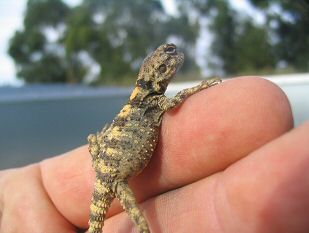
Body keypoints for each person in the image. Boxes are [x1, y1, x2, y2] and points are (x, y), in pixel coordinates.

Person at [0, 77, 308, 233]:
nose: (172, 65)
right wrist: (198, 88)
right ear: (157, 75)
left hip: (108, 164)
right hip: (113, 175)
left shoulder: (148, 102)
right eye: (165, 64)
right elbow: (178, 101)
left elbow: (175, 100)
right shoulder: (150, 103)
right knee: (134, 213)